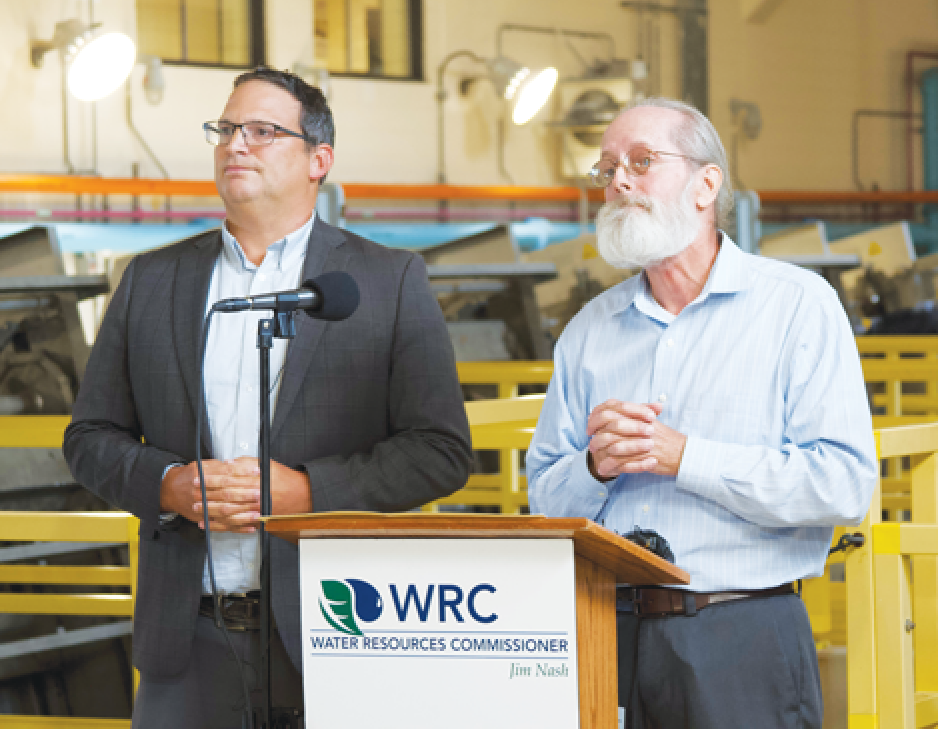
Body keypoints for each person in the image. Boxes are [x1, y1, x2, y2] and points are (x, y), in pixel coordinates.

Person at [64, 67, 472, 729]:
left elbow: (440, 452)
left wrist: (307, 494)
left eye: (262, 131)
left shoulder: (386, 281)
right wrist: (168, 485)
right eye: (225, 130)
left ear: (319, 160)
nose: (235, 145)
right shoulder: (151, 280)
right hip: (187, 637)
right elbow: (89, 436)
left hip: (341, 628)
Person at [525, 97, 877, 729]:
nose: (618, 183)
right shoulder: (588, 331)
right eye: (607, 170)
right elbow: (547, 504)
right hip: (609, 632)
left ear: (706, 183)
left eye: (640, 161)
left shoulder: (797, 307)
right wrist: (595, 468)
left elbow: (843, 485)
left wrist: (684, 457)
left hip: (742, 636)